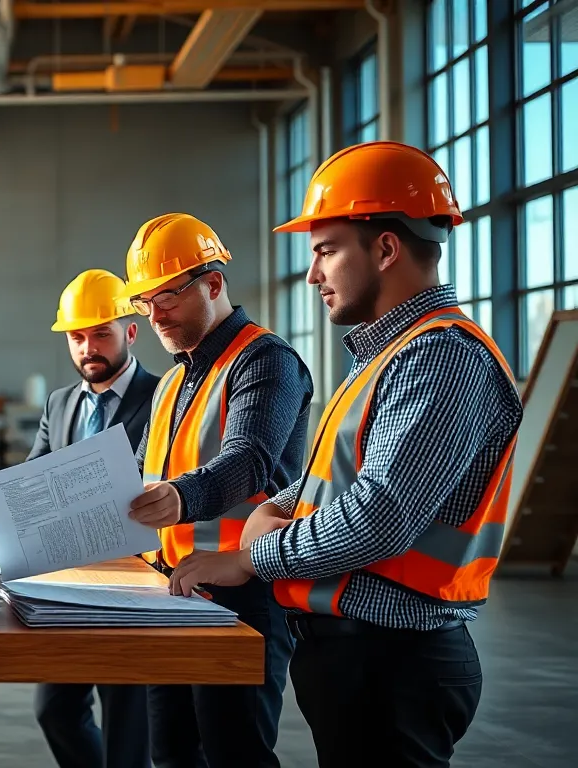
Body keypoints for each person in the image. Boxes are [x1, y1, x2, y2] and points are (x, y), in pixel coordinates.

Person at [169, 141, 523, 768]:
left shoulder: (440, 359)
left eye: (326, 251)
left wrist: (253, 556)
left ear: (385, 248)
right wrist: (280, 505)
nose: (312, 275)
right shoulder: (390, 355)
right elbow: (333, 483)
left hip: (396, 658)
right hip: (362, 655)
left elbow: (378, 518)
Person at [121, 213, 312, 768]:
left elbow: (249, 460)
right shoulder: (175, 379)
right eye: (145, 302)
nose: (155, 315)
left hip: (243, 594)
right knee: (173, 755)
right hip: (170, 591)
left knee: (236, 754)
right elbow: (143, 470)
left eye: (169, 297)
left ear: (213, 284)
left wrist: (179, 497)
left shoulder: (266, 360)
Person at [28, 269, 159, 768]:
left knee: (129, 732)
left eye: (101, 333)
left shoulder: (163, 396)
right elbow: (33, 476)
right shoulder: (60, 404)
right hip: (64, 581)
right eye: (77, 337)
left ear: (131, 330)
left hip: (130, 582)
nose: (88, 348)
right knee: (55, 711)